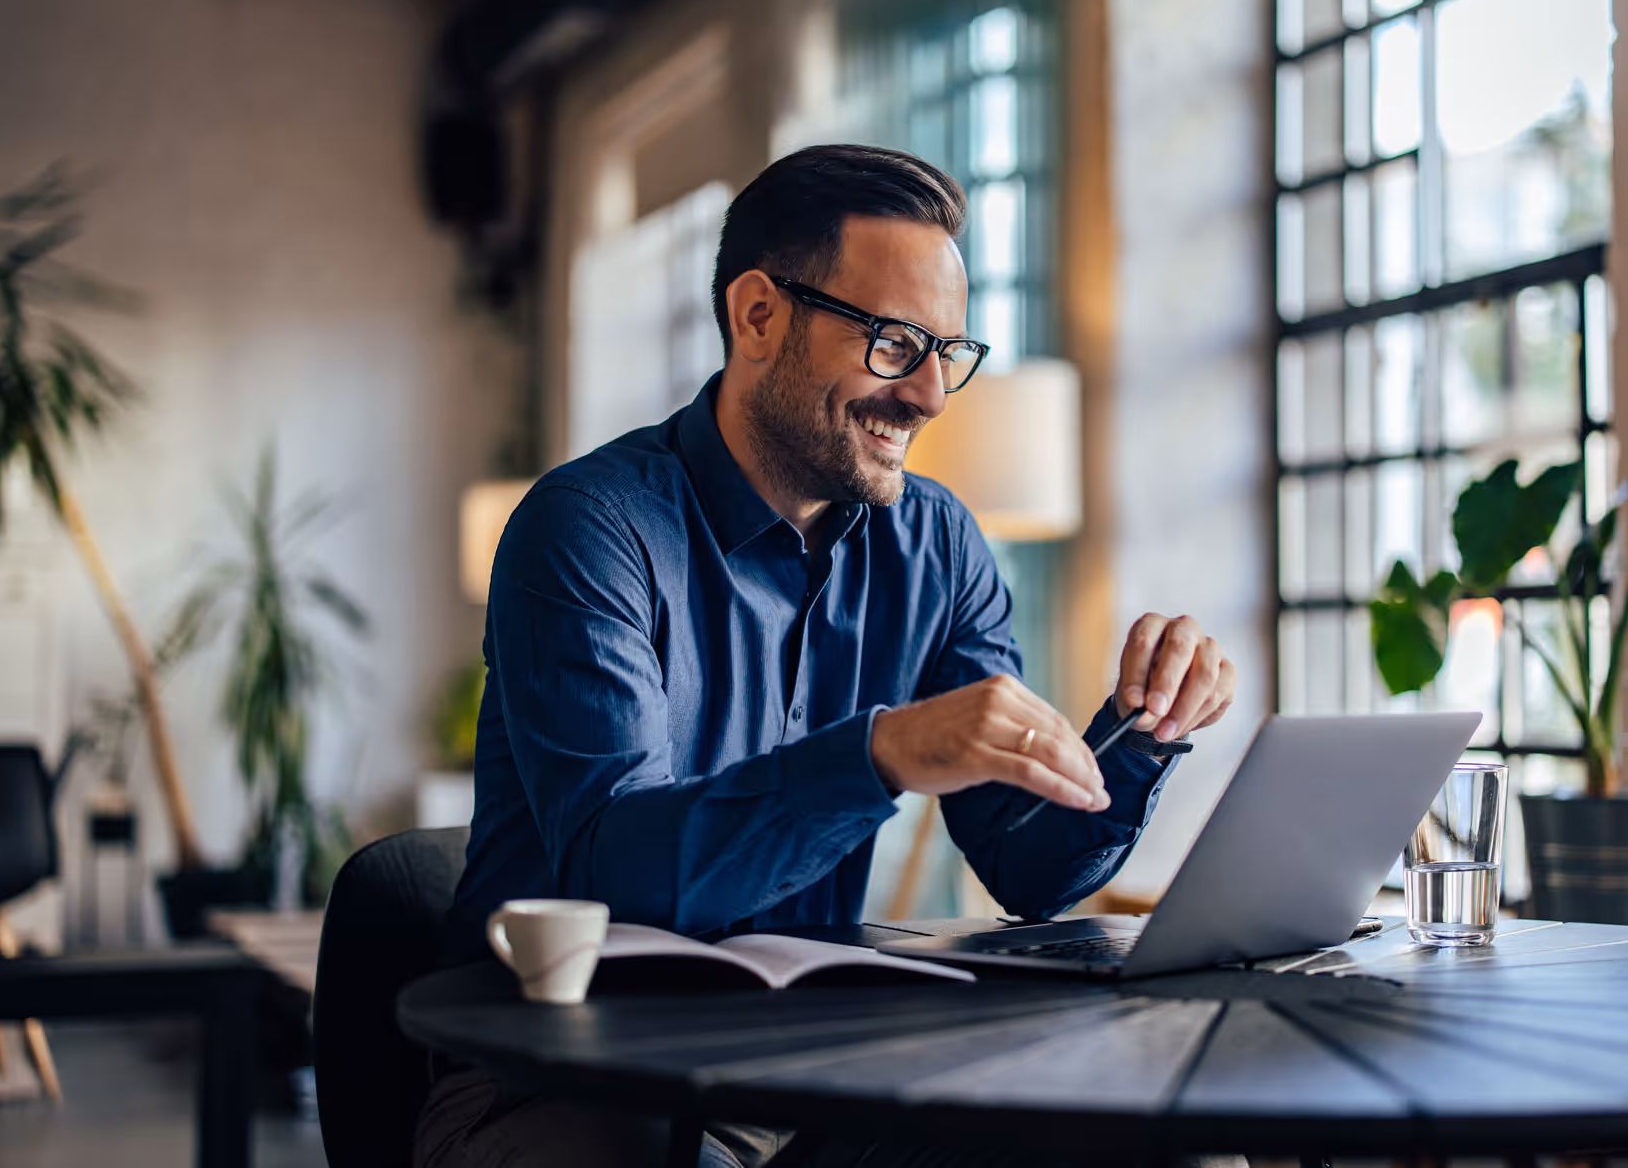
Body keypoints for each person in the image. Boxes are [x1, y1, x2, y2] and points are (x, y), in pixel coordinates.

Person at [419, 144, 1238, 1168]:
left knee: (1165, 1146)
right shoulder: (587, 528)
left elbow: (1027, 868)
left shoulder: (936, 542)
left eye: (948, 348)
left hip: (822, 1074)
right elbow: (613, 873)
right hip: (561, 1081)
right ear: (757, 314)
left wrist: (1137, 732)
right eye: (896, 342)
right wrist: (881, 752)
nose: (932, 393)